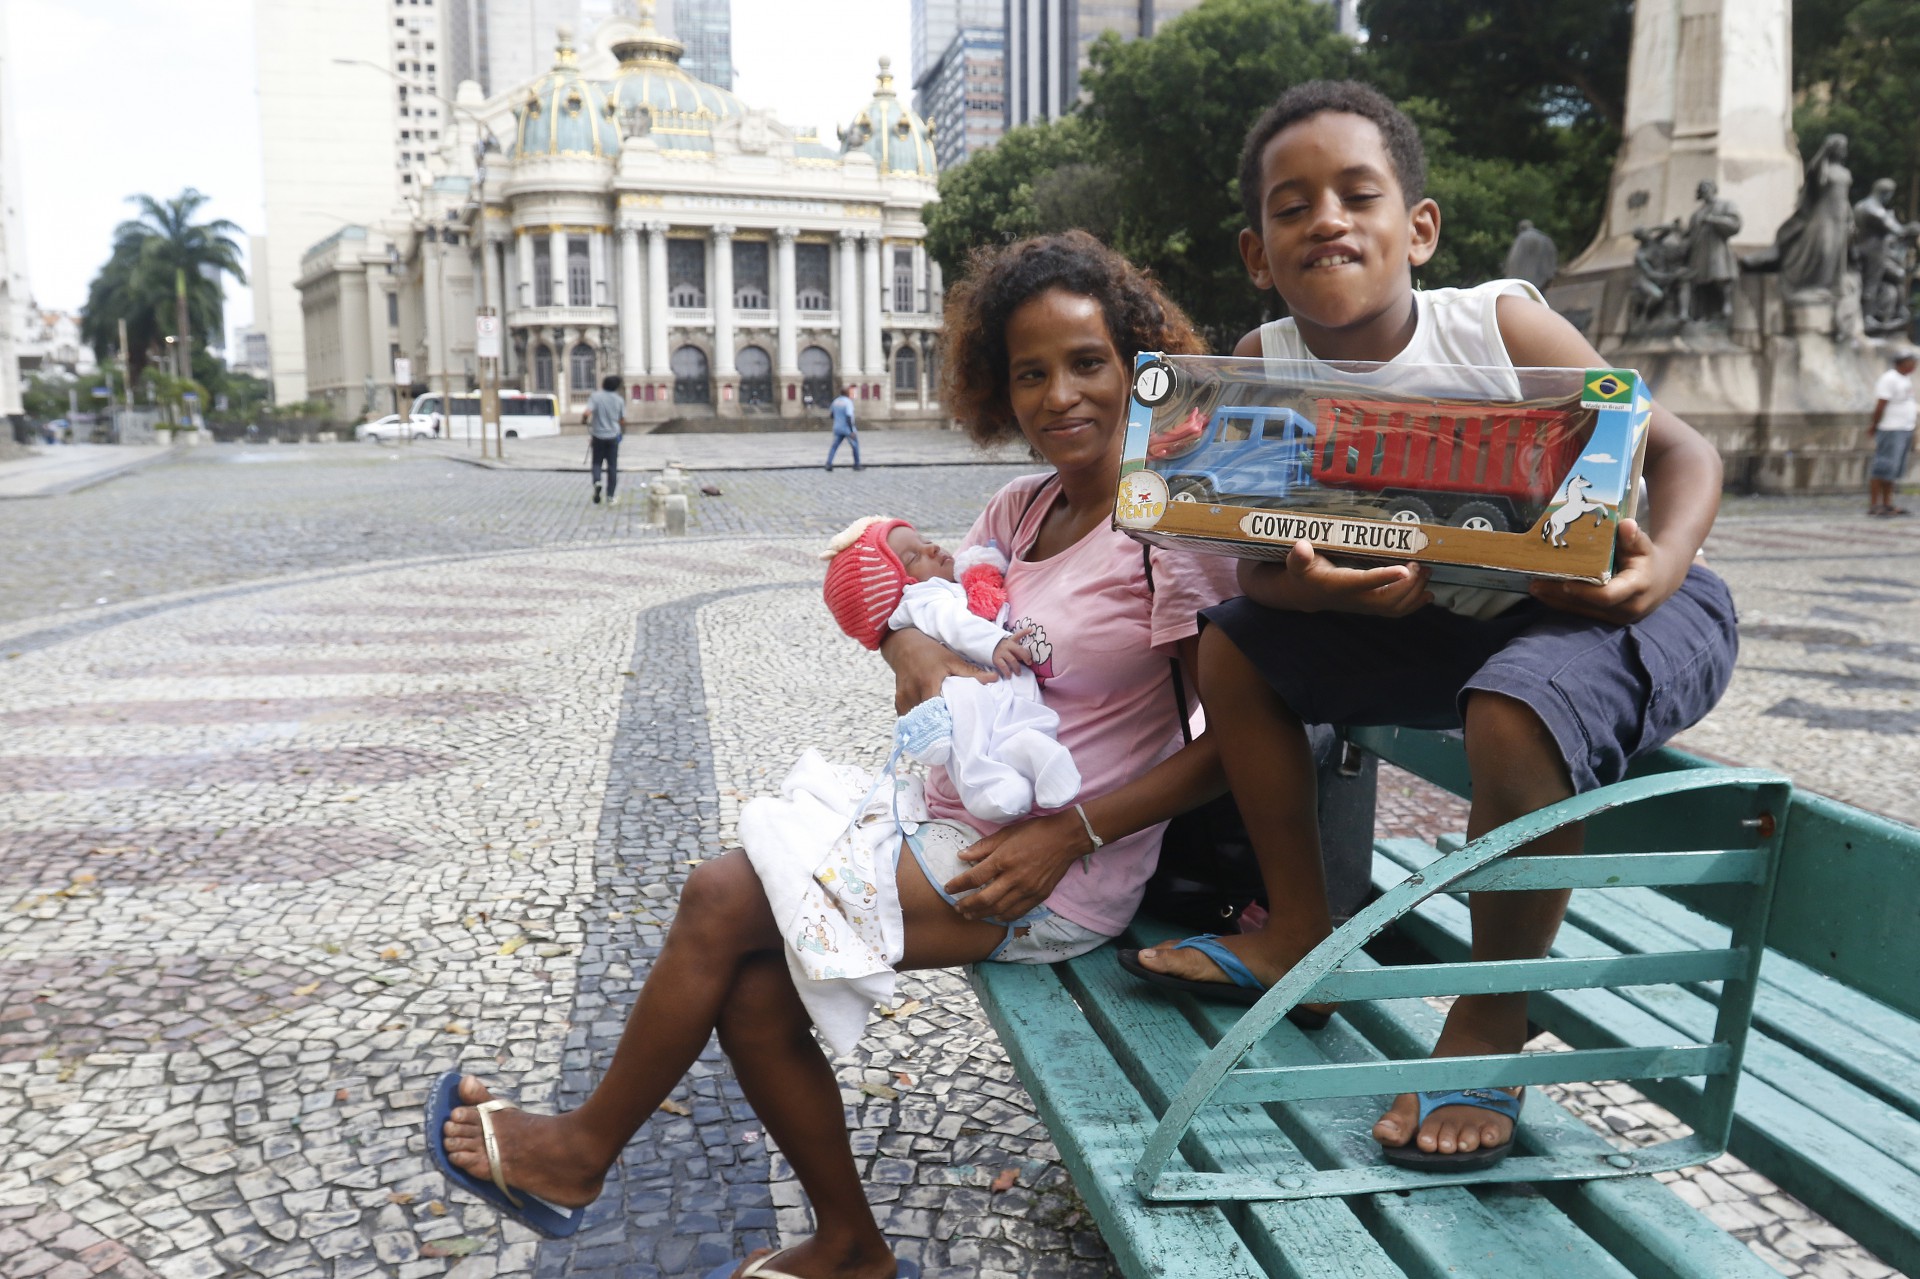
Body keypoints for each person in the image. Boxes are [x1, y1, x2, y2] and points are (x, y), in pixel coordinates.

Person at [430, 231, 1240, 1279]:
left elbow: (1234, 745)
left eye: (1087, 363)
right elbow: (928, 610)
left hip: (1054, 867)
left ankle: (581, 1152)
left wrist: (1067, 834)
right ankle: (853, 1245)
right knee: (756, 988)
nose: (1059, 397)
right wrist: (903, 638)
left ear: (1139, 365)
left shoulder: (1169, 530)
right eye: (1028, 373)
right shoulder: (1019, 508)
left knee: (723, 897)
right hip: (946, 817)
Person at [1124, 80, 1739, 1172]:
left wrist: (1660, 571)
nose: (1327, 218)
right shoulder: (1263, 367)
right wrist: (1308, 595)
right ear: (1258, 251)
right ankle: (1298, 930)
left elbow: (1684, 452)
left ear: (1418, 229)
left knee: (1515, 708)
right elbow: (1260, 570)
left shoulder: (1496, 323)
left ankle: (1494, 1012)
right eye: (1292, 203)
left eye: (1358, 193)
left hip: (1621, 614)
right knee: (1231, 641)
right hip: (1446, 632)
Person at [822, 515, 1079, 825]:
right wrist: (994, 643)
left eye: (925, 540)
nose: (932, 549)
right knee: (969, 727)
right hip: (967, 680)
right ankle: (985, 781)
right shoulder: (924, 597)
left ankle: (1033, 750)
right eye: (914, 556)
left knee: (1020, 709)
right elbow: (953, 624)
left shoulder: (948, 586)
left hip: (992, 674)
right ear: (904, 587)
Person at [1867, 349, 1917, 517]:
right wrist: (1874, 425)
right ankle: (1875, 504)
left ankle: (1887, 503)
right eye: (1911, 362)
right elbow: (1881, 404)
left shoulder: (1905, 379)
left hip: (1904, 428)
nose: (1914, 365)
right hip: (1891, 428)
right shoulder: (1889, 379)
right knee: (1882, 466)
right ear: (1901, 363)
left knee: (1893, 469)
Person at [584, 374, 625, 505]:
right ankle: (610, 496)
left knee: (596, 462)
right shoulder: (619, 400)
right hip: (613, 436)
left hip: (598, 436)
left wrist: (584, 420)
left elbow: (587, 413)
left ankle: (597, 481)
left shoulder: (595, 396)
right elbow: (622, 419)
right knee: (612, 466)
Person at [825, 385, 861, 471]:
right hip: (847, 429)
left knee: (834, 446)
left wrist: (838, 419)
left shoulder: (835, 401)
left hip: (837, 427)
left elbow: (831, 415)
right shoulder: (848, 402)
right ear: (848, 393)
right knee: (855, 446)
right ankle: (857, 464)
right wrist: (852, 430)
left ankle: (828, 463)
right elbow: (849, 417)